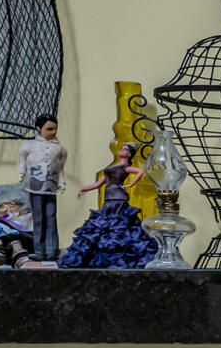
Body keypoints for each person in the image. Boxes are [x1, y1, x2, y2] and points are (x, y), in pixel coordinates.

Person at [60, 142, 158, 269]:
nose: (122, 150)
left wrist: (130, 184)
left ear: (129, 154)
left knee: (117, 225)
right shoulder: (113, 167)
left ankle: (117, 254)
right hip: (108, 200)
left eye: (125, 149)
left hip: (118, 199)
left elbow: (140, 171)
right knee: (102, 226)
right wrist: (84, 189)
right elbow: (98, 184)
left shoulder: (125, 167)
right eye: (122, 148)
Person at [16, 114, 68, 262]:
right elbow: (22, 161)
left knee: (51, 218)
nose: (53, 132)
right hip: (35, 187)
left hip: (51, 187)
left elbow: (60, 168)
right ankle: (39, 251)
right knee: (38, 219)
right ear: (39, 128)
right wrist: (21, 173)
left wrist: (62, 182)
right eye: (49, 129)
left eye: (55, 129)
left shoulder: (60, 149)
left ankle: (52, 250)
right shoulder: (29, 145)